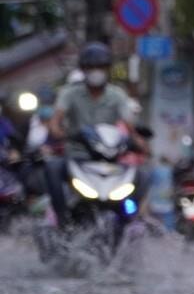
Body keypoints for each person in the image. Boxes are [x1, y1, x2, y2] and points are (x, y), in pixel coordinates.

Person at [45, 43, 147, 227]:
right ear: (83, 69)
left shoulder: (117, 95)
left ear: (107, 69)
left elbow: (130, 127)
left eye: (100, 67)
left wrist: (140, 143)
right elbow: (55, 121)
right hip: (77, 156)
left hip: (109, 158)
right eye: (91, 67)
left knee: (142, 176)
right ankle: (62, 218)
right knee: (52, 168)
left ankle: (128, 220)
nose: (96, 72)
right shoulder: (70, 94)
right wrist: (59, 132)